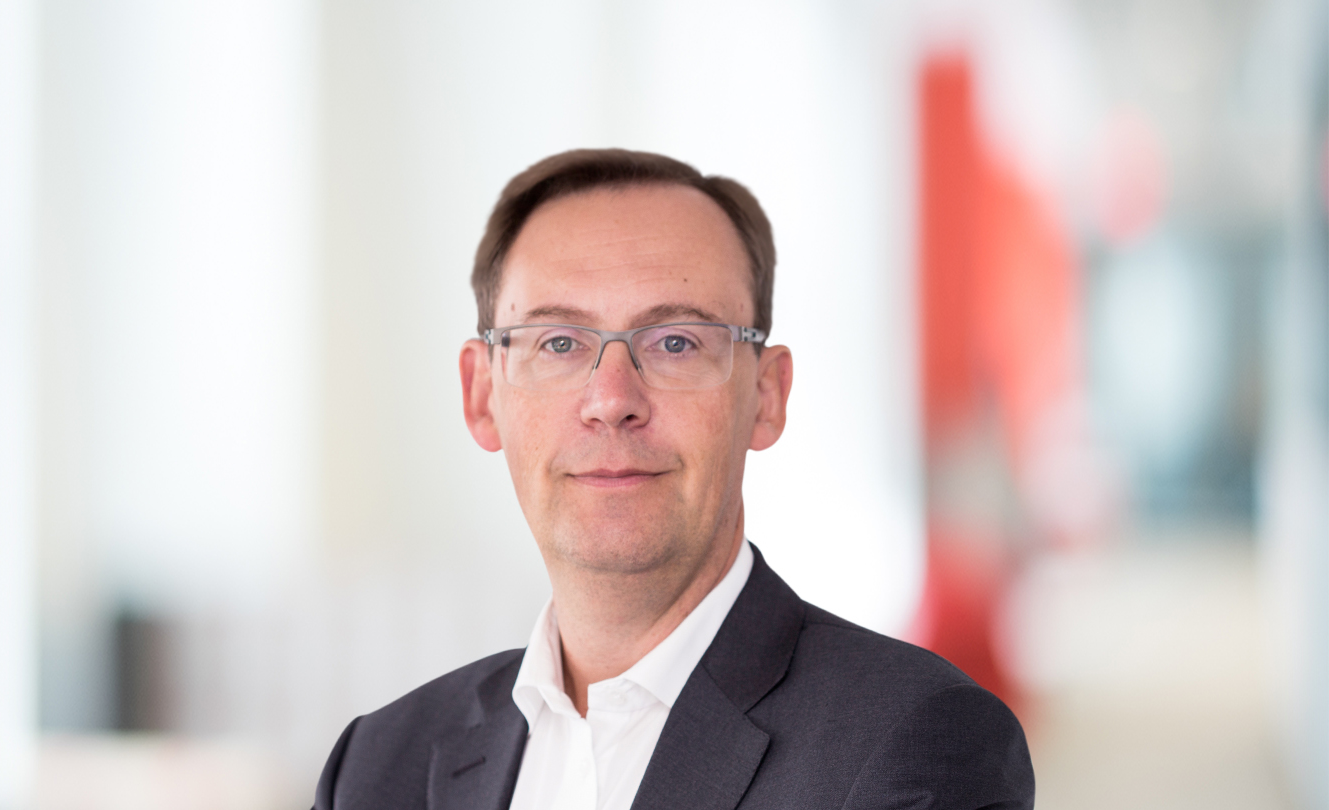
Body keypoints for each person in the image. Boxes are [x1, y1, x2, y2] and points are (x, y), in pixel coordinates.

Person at [312, 149, 1034, 810]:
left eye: (676, 342)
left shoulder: (913, 742)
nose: (612, 400)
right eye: (558, 342)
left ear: (767, 396)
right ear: (481, 395)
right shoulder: (379, 766)